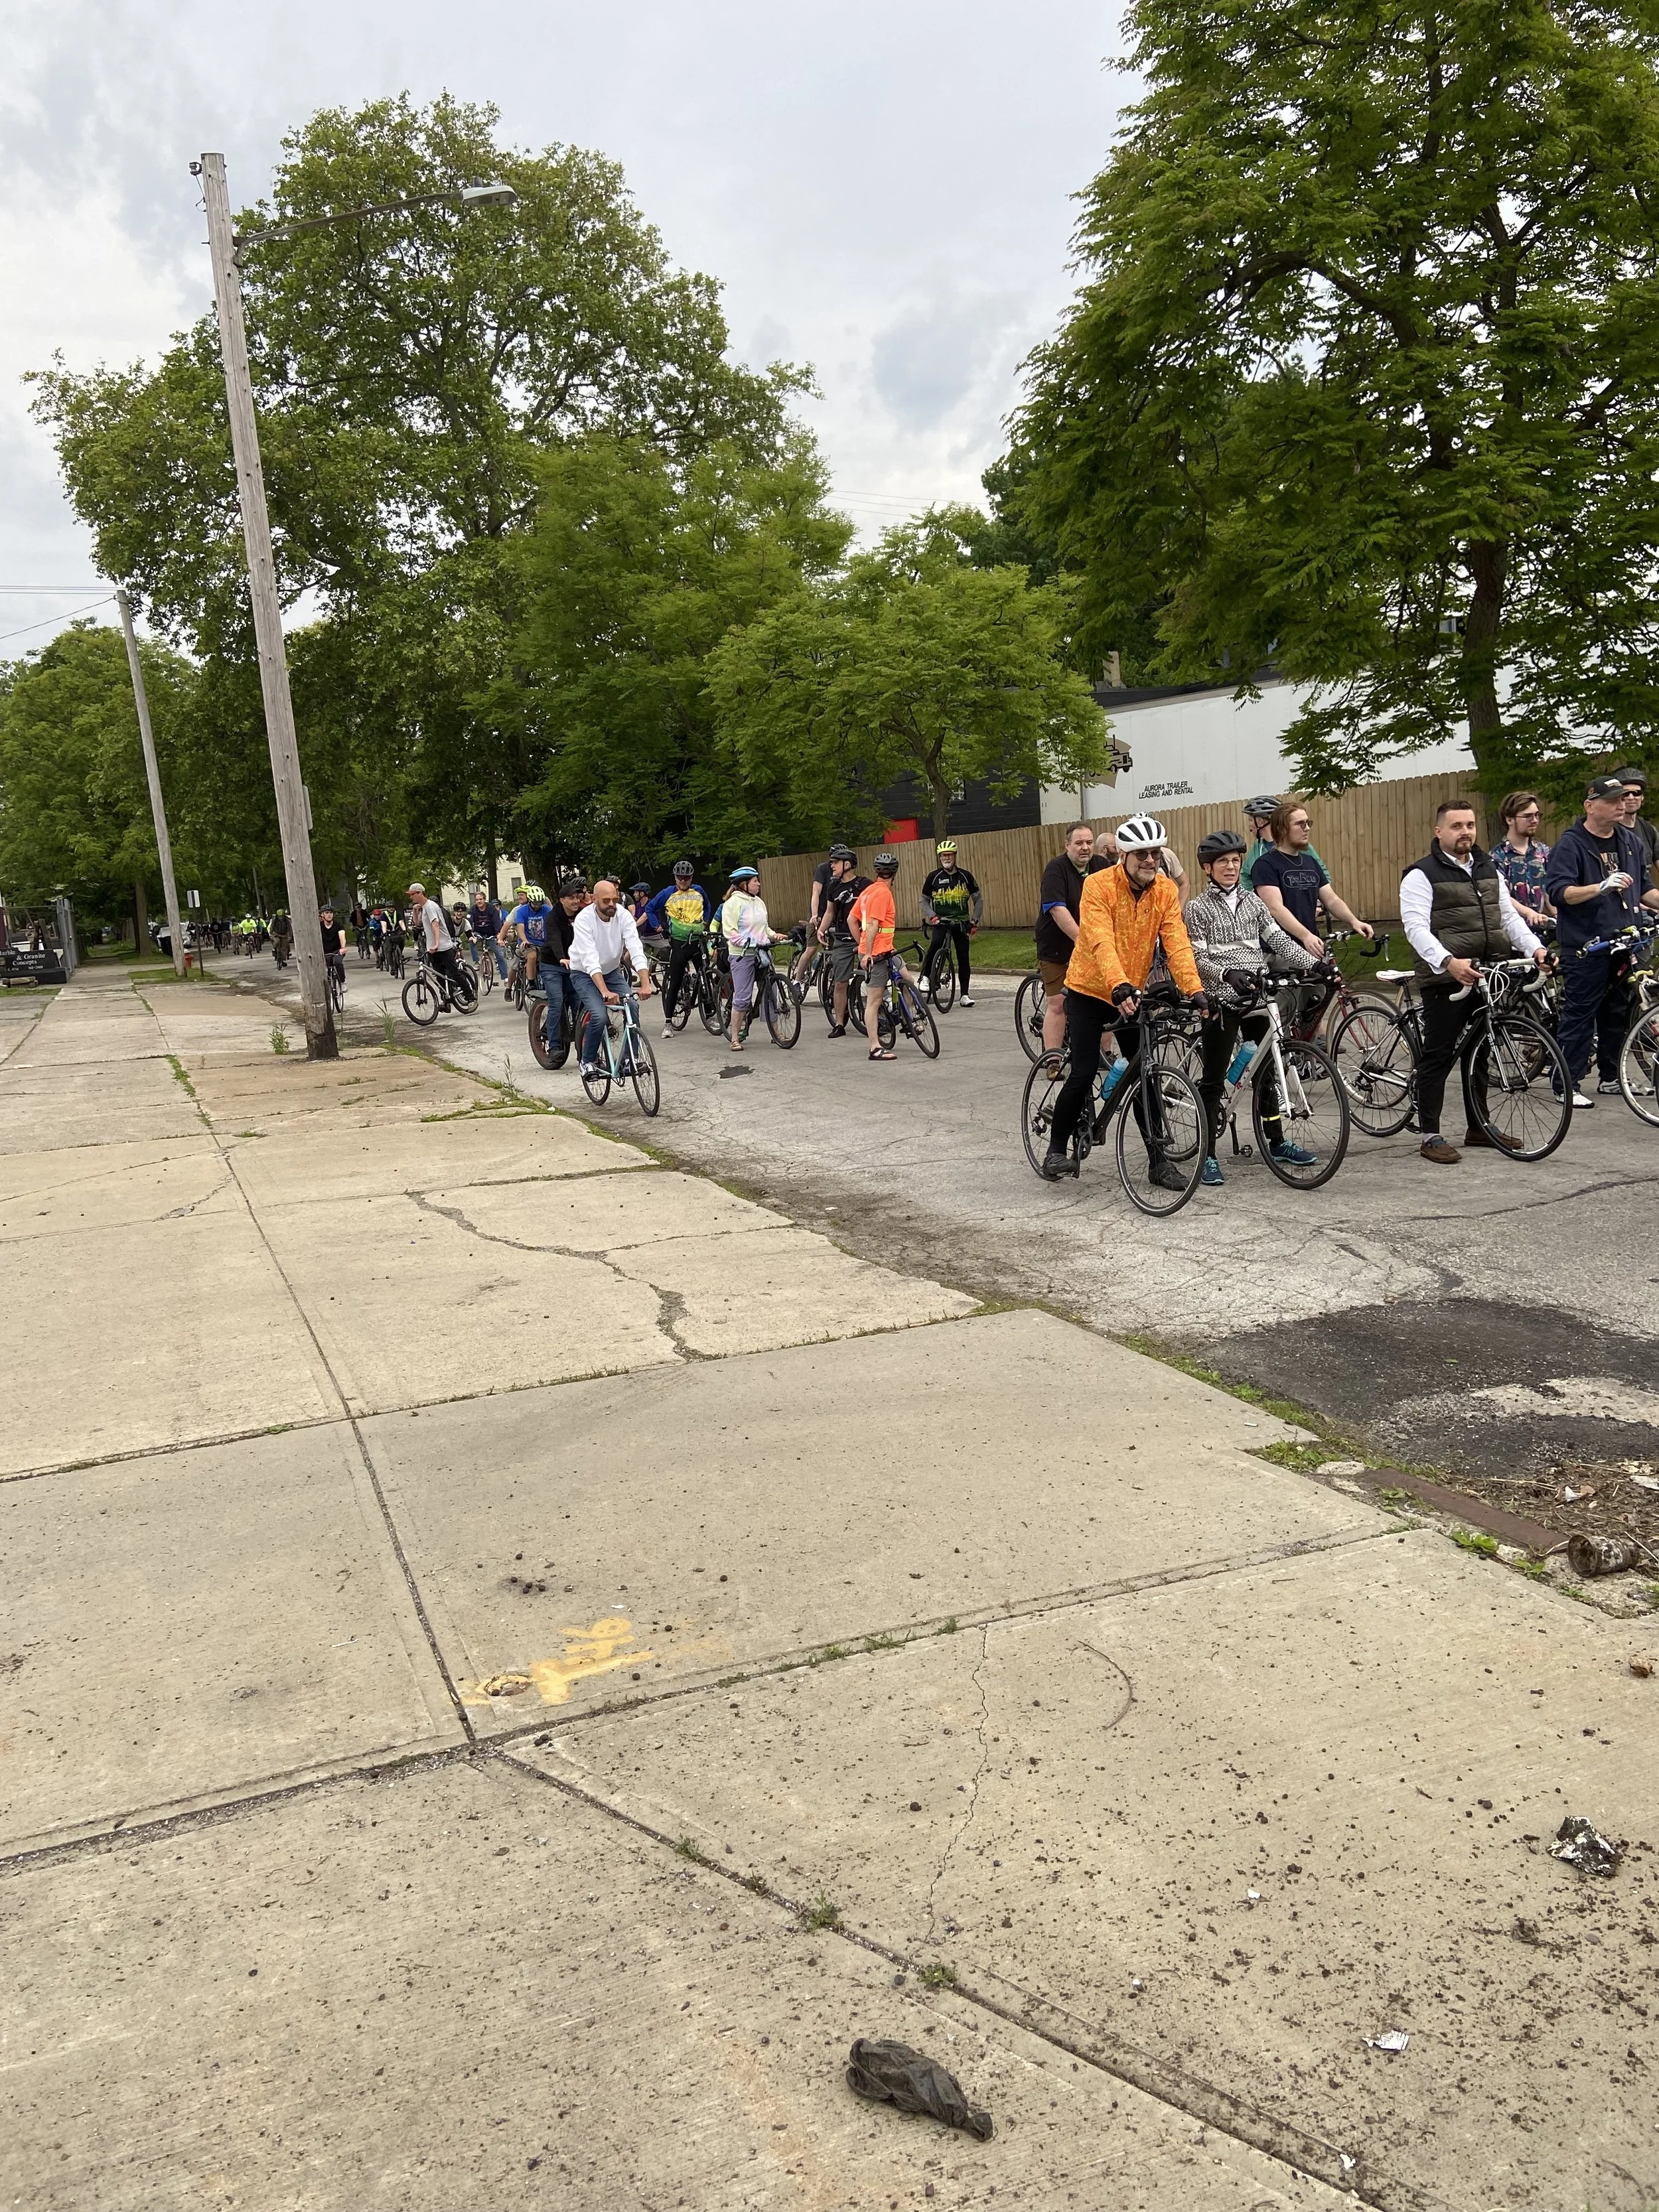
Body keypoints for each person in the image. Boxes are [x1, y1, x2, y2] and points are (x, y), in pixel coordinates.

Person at [1040, 815, 1207, 1184]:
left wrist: (1194, 990)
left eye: (1155, 854)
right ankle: (1055, 1151)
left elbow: (1177, 942)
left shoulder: (1164, 890)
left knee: (1145, 1074)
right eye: (1141, 854)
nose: (1150, 860)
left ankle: (1159, 1163)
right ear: (1124, 856)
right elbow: (1099, 939)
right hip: (1090, 989)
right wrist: (1118, 984)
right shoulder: (1098, 885)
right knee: (1084, 1072)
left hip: (1131, 992)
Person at [1400, 799, 1550, 1163]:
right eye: (1456, 826)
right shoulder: (1421, 874)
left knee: (1480, 1051)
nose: (1465, 832)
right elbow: (1416, 928)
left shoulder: (1487, 868)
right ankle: (1430, 1135)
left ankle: (1478, 1127)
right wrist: (1448, 963)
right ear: (1439, 831)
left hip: (1487, 973)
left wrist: (1535, 948)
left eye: (1469, 825)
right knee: (1438, 1055)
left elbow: (1507, 918)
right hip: (1446, 977)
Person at [1183, 830, 1321, 1185]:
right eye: (1222, 862)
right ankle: (1208, 1154)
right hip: (1222, 1000)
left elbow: (1278, 940)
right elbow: (1195, 957)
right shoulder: (1197, 908)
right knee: (1214, 1079)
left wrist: (1313, 964)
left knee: (1267, 1073)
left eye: (1235, 861)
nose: (1231, 867)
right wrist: (1226, 973)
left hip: (1257, 998)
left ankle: (1276, 1142)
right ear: (1207, 868)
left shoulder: (1254, 903)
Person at [1544, 774, 1659, 1104]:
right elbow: (1559, 893)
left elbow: (1645, 889)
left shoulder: (1630, 841)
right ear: (1590, 806)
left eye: (1623, 799)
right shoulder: (1571, 844)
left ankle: (1611, 1077)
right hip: (1586, 945)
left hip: (1624, 941)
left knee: (1617, 1014)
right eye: (1612, 800)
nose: (1621, 805)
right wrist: (1600, 887)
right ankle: (1566, 1084)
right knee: (1581, 1015)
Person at [1250, 800, 1374, 952]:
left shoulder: (1310, 862)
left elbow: (1331, 900)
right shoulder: (1265, 865)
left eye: (1308, 823)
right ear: (1282, 829)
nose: (1307, 828)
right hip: (1279, 950)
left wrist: (1354, 921)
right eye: (1300, 824)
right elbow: (1275, 908)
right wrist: (1306, 936)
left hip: (1311, 945)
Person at [1035, 824, 1111, 1055]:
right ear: (1067, 845)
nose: (1085, 848)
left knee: (1104, 1000)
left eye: (1089, 842)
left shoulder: (1101, 866)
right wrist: (1082, 939)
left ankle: (1105, 1054)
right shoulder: (1056, 869)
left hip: (1092, 945)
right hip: (1057, 946)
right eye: (1079, 843)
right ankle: (1052, 1059)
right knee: (1058, 1004)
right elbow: (1057, 910)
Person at [568, 877, 654, 1073]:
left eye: (614, 900)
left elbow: (635, 948)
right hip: (583, 973)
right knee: (599, 1016)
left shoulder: (623, 916)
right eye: (605, 901)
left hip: (611, 971)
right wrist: (604, 991)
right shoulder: (584, 919)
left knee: (632, 1006)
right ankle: (588, 1061)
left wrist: (645, 983)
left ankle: (630, 1059)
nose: (611, 905)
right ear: (593, 899)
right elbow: (590, 959)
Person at [720, 866, 788, 1051]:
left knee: (771, 993)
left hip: (762, 952)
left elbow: (764, 927)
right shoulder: (732, 904)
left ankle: (777, 1033)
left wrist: (773, 935)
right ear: (744, 884)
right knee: (742, 997)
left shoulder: (759, 902)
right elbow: (730, 932)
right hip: (742, 955)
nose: (759, 884)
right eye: (755, 881)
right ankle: (735, 1038)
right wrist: (746, 943)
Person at [851, 852, 907, 1061]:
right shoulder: (883, 893)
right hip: (876, 955)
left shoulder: (868, 891)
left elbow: (851, 919)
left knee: (908, 981)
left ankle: (910, 1019)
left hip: (887, 949)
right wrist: (867, 952)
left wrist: (861, 943)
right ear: (895, 874)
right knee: (874, 1001)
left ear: (876, 872)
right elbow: (874, 923)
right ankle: (875, 1047)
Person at [644, 862, 711, 1037]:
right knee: (675, 982)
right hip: (679, 942)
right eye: (680, 878)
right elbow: (650, 908)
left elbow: (708, 905)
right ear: (675, 878)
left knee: (706, 977)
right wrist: (658, 927)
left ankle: (710, 1015)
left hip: (698, 940)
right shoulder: (667, 893)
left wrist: (705, 920)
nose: (683, 881)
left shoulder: (699, 891)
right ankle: (668, 1023)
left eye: (686, 878)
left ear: (691, 878)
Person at [919, 840, 983, 1006]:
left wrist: (974, 921)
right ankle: (926, 977)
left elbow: (978, 899)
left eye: (949, 855)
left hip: (961, 923)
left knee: (964, 957)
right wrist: (933, 916)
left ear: (955, 856)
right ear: (940, 858)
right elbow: (924, 900)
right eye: (943, 856)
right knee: (935, 945)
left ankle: (964, 995)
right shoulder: (933, 877)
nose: (946, 858)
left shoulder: (965, 876)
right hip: (941, 922)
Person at [817, 849, 870, 1037]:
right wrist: (821, 929)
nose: (831, 866)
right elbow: (830, 912)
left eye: (835, 862)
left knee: (873, 979)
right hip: (843, 939)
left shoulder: (865, 885)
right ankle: (839, 1024)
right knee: (840, 983)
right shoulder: (833, 886)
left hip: (864, 938)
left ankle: (878, 1017)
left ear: (847, 864)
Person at [1492, 792, 1553, 922]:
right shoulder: (1497, 856)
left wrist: (1558, 915)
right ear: (1510, 820)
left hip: (1542, 925)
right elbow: (1500, 896)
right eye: (1528, 816)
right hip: (1511, 927)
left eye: (1537, 815)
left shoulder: (1544, 852)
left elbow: (1549, 889)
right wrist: (1529, 913)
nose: (1534, 820)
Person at [499, 884, 556, 993]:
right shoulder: (520, 911)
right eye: (535, 903)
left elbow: (553, 923)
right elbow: (520, 928)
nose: (537, 906)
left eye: (540, 903)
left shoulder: (546, 909)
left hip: (543, 943)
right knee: (528, 958)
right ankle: (527, 984)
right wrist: (524, 940)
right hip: (527, 942)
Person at [408, 881, 462, 993]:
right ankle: (446, 998)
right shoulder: (423, 907)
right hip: (433, 949)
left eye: (412, 894)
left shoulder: (430, 907)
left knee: (454, 973)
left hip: (443, 946)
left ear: (420, 893)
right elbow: (417, 923)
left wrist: (437, 944)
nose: (411, 897)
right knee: (439, 975)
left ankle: (470, 996)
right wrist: (415, 910)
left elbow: (435, 924)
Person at [1615, 767, 1658, 883]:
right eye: (1626, 793)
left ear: (1642, 797)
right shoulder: (1608, 830)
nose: (1631, 797)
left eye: (1636, 793)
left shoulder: (1649, 830)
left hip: (1647, 893)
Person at [468, 889, 504, 976]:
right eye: (477, 900)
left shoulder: (491, 908)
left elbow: (497, 921)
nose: (479, 901)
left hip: (491, 933)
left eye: (481, 899)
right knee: (471, 941)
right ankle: (477, 962)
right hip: (478, 933)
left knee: (500, 955)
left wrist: (499, 933)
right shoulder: (473, 909)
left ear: (484, 900)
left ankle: (505, 977)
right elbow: (469, 921)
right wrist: (470, 934)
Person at [319, 905, 347, 994]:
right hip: (324, 952)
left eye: (331, 913)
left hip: (337, 951)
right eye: (327, 913)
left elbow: (342, 937)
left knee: (338, 963)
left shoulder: (338, 925)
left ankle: (342, 982)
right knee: (322, 968)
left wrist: (343, 948)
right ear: (322, 915)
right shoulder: (319, 927)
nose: (329, 915)